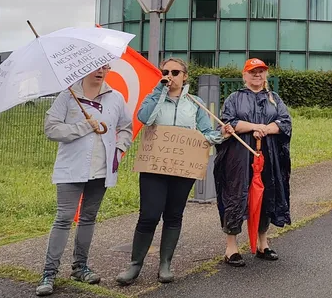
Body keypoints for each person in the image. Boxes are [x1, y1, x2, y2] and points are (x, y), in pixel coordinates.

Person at [116, 58, 228, 285]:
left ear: (185, 76)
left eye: (175, 72)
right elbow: (145, 118)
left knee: (174, 215)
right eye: (165, 71)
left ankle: (165, 263)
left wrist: (221, 134)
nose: (170, 76)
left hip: (182, 169)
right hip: (154, 167)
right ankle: (135, 264)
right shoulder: (154, 96)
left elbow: (206, 133)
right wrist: (159, 89)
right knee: (149, 215)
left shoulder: (195, 103)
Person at [37, 65, 133, 296]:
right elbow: (51, 129)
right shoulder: (68, 95)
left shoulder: (116, 97)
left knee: (88, 218)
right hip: (71, 168)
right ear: (85, 69)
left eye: (105, 67)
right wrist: (82, 126)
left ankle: (80, 267)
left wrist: (118, 151)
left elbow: (126, 128)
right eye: (96, 67)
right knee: (63, 218)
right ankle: (49, 272)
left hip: (101, 170)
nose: (101, 71)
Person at [214, 58, 293, 267]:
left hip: (268, 156)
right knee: (236, 195)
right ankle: (231, 247)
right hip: (239, 157)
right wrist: (254, 126)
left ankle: (262, 243)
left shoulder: (274, 98)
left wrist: (266, 129)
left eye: (261, 72)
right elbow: (228, 123)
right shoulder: (234, 98)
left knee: (267, 194)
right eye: (253, 72)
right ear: (244, 75)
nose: (257, 75)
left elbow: (284, 123)